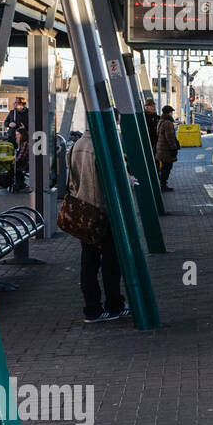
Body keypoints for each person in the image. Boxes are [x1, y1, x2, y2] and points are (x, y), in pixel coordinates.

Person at [66, 130, 128, 323]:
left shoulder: (76, 146)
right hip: (102, 212)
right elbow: (115, 179)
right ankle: (114, 304)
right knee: (111, 261)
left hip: (83, 211)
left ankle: (92, 309)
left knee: (89, 262)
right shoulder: (103, 147)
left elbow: (71, 182)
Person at [155, 105, 179, 191]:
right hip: (166, 149)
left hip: (160, 148)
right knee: (167, 167)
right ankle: (163, 185)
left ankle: (162, 184)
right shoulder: (168, 123)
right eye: (171, 112)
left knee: (164, 167)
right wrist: (174, 148)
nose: (172, 114)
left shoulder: (161, 121)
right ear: (169, 113)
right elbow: (170, 137)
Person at [12, 125, 29, 191]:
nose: (16, 136)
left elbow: (21, 156)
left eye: (17, 134)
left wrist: (14, 161)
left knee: (15, 167)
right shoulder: (22, 143)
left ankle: (19, 184)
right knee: (15, 166)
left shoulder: (25, 143)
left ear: (22, 135)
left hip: (26, 163)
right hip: (24, 162)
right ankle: (20, 183)